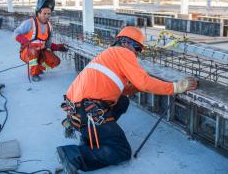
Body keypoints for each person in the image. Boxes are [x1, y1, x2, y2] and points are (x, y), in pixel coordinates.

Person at [57, 27, 198, 174]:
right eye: (137, 48)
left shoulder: (108, 55)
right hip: (89, 114)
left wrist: (140, 86)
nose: (137, 53)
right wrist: (177, 87)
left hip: (77, 114)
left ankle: (89, 140)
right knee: (121, 150)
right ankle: (73, 156)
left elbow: (120, 89)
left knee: (123, 101)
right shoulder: (123, 52)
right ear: (125, 42)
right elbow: (144, 81)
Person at [14, 0, 67, 82]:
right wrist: (26, 42)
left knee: (56, 61)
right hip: (27, 52)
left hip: (40, 52)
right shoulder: (29, 23)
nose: (47, 16)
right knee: (33, 51)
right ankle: (34, 73)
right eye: (44, 13)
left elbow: (48, 44)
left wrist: (57, 47)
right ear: (38, 13)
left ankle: (38, 67)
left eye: (49, 14)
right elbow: (15, 33)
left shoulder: (49, 27)